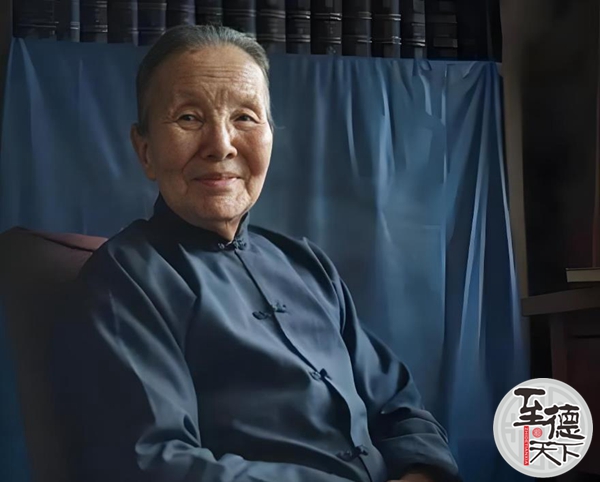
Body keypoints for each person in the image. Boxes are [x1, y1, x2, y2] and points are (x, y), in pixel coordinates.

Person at [51, 25, 461, 482]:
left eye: (245, 117)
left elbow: (397, 404)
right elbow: (155, 461)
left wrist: (423, 471)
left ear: (270, 136)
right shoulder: (125, 280)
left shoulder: (306, 265)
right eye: (188, 117)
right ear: (145, 150)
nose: (221, 145)